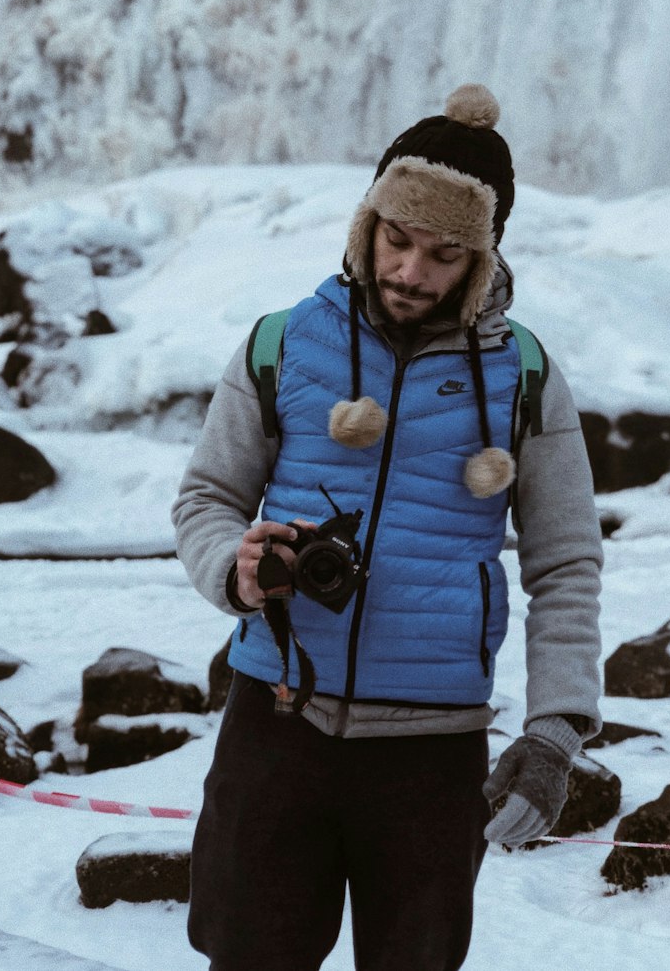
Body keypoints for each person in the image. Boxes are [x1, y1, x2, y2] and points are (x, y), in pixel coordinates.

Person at [172, 84, 603, 971]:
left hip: (433, 751)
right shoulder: (280, 344)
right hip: (276, 723)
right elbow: (206, 500)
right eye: (396, 240)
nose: (411, 272)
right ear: (365, 224)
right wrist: (236, 569)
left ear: (482, 259)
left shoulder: (525, 374)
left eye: (445, 254)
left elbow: (564, 564)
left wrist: (556, 731)